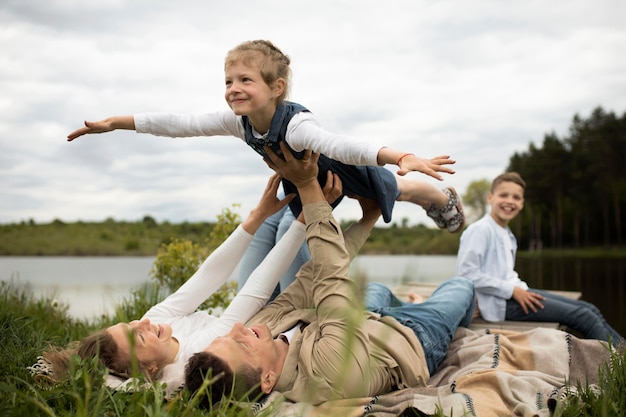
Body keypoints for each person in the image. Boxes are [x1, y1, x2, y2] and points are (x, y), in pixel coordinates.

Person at [66, 39, 465, 237]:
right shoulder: (236, 121)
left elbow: (344, 146)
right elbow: (180, 123)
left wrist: (400, 155)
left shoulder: (296, 125)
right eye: (228, 80)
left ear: (276, 87)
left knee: (390, 189)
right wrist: (116, 122)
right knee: (307, 233)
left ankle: (436, 196)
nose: (233, 88)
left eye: (245, 80)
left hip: (346, 170)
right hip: (303, 182)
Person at [184, 141, 476, 407]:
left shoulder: (262, 331)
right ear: (268, 379)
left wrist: (368, 218)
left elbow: (311, 279)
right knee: (461, 288)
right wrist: (308, 185)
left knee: (374, 288)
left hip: (363, 317)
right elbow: (330, 277)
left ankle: (407, 295)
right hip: (412, 337)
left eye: (226, 336)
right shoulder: (326, 374)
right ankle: (424, 306)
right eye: (240, 344)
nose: (236, 328)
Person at [39, 172, 343, 397]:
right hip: (263, 322)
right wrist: (307, 217)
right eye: (140, 339)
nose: (144, 323)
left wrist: (256, 214)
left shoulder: (156, 321)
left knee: (268, 221)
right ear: (151, 371)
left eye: (131, 324)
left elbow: (208, 276)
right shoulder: (197, 356)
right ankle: (376, 191)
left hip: (248, 310)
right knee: (291, 223)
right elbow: (255, 292)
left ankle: (378, 187)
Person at [456, 172, 624, 346]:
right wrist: (512, 290)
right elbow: (466, 274)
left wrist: (518, 290)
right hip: (498, 304)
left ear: (521, 203)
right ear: (490, 198)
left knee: (590, 308)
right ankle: (619, 364)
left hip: (516, 293)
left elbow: (505, 274)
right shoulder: (480, 230)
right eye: (503, 195)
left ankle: (621, 353)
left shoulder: (506, 233)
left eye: (516, 197)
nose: (510, 201)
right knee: (584, 317)